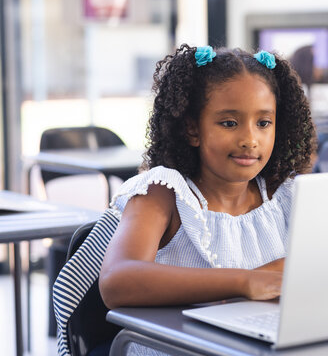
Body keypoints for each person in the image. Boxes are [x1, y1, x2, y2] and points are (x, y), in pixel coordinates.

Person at [98, 44, 315, 309]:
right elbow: (116, 281)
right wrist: (244, 282)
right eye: (229, 123)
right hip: (175, 344)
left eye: (263, 123)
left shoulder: (282, 194)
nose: (250, 140)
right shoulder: (164, 194)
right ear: (192, 129)